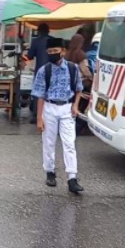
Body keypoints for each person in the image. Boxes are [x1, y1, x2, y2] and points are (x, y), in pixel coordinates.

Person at [31, 38, 85, 194]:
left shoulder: (73, 69)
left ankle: (72, 178)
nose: (52, 54)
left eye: (55, 51)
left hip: (67, 108)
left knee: (69, 142)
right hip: (49, 107)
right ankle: (50, 171)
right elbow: (40, 95)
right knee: (48, 141)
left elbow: (79, 89)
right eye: (49, 52)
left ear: (63, 51)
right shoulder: (44, 71)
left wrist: (75, 105)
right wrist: (40, 118)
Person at [28, 24, 53, 124]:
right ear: (48, 31)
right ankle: (49, 114)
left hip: (40, 71)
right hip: (52, 70)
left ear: (38, 32)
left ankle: (36, 115)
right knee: (50, 92)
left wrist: (24, 57)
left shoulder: (35, 41)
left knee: (38, 93)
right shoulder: (54, 40)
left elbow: (30, 56)